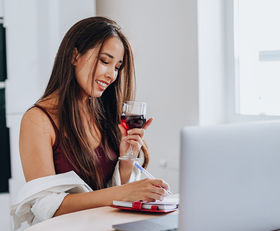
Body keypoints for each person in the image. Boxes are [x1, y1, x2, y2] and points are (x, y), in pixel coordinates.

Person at [18, 16, 170, 220]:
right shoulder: (38, 120)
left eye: (117, 67)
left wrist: (126, 160)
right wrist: (123, 193)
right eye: (105, 61)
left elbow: (108, 191)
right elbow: (45, 206)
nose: (112, 75)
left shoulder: (105, 114)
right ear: (74, 56)